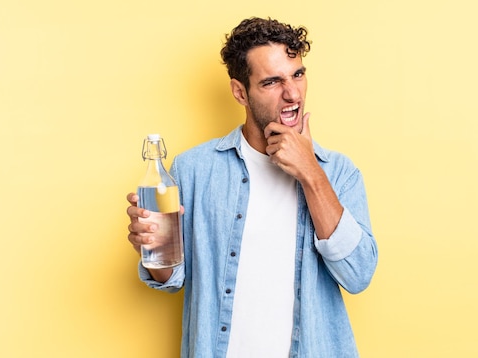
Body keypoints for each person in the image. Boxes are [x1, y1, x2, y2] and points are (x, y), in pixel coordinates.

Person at [126, 17, 379, 357]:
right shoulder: (194, 170)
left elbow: (358, 274)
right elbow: (170, 277)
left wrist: (311, 172)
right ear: (240, 92)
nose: (292, 94)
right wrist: (154, 248)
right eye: (272, 82)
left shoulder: (338, 173)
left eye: (298, 75)